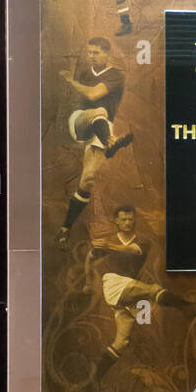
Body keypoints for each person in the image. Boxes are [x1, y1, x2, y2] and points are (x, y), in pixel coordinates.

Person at [85, 206, 196, 379]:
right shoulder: (109, 240)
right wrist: (88, 282)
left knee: (122, 341)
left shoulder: (142, 240)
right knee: (152, 290)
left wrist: (109, 246)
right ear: (115, 221)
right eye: (123, 219)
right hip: (114, 283)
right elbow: (90, 256)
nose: (127, 223)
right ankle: (187, 308)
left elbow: (132, 250)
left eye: (130, 219)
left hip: (127, 293)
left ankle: (96, 375)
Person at [56, 37, 134, 249]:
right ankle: (111, 143)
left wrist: (70, 81)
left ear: (107, 54)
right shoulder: (85, 74)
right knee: (99, 111)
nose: (91, 56)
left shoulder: (116, 75)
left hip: (102, 127)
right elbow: (87, 101)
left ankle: (65, 229)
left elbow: (93, 93)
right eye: (89, 52)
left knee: (88, 180)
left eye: (96, 52)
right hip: (81, 121)